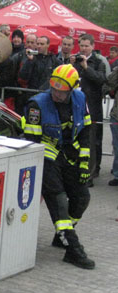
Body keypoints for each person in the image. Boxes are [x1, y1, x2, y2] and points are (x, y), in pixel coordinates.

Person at [23, 64, 94, 269]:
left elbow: (85, 131)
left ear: (72, 89)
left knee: (82, 197)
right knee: (59, 200)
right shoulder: (37, 104)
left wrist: (84, 163)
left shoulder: (80, 99)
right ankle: (73, 248)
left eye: (61, 92)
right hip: (46, 155)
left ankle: (61, 235)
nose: (56, 94)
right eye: (53, 89)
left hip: (69, 155)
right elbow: (32, 140)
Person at [71, 34, 106, 186]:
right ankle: (76, 168)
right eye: (82, 45)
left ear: (92, 46)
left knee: (92, 142)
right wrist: (71, 65)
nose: (84, 49)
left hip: (92, 107)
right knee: (77, 139)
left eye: (86, 46)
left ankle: (91, 173)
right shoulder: (75, 61)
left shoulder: (98, 62)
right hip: (76, 106)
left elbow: (101, 80)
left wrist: (86, 67)